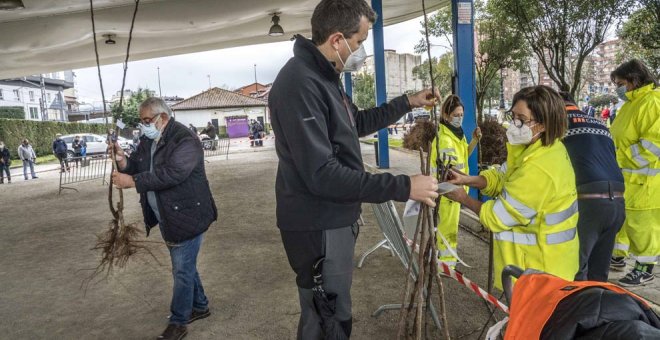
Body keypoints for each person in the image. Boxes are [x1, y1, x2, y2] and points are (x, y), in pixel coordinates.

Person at [268, 1, 440, 338]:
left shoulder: (323, 76)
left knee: (332, 308)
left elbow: (354, 123)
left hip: (334, 217)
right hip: (317, 221)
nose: (359, 50)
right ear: (336, 39)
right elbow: (322, 174)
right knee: (327, 315)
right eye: (359, 42)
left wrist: (408, 102)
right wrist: (404, 186)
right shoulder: (300, 83)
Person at [444, 85, 579, 290]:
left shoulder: (540, 168)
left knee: (535, 322)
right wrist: (468, 180)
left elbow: (497, 217)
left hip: (541, 271)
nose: (513, 124)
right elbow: (502, 176)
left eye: (521, 120)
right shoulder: (533, 150)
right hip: (531, 266)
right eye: (512, 116)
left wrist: (463, 198)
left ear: (543, 125)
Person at [110, 97, 217, 340]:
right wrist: (122, 160)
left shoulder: (185, 140)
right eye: (141, 121)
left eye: (148, 120)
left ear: (164, 118)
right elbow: (137, 164)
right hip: (169, 215)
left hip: (188, 214)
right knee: (185, 265)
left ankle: (178, 322)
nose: (144, 125)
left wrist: (133, 182)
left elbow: (173, 173)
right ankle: (200, 306)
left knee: (181, 269)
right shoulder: (150, 139)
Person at [559, 92, 625, 282]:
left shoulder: (558, 124)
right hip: (616, 200)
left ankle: (575, 310)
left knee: (575, 267)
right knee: (599, 272)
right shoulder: (599, 124)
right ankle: (597, 308)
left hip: (587, 200)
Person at [609, 59, 660, 286]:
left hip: (646, 180)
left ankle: (645, 269)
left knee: (642, 226)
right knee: (626, 222)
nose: (618, 88)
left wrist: (618, 157)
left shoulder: (652, 103)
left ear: (634, 80)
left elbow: (653, 145)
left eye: (620, 83)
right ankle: (619, 257)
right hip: (629, 178)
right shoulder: (631, 104)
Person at [429, 95, 481, 267]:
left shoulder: (456, 134)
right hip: (447, 192)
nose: (460, 118)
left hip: (455, 190)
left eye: (461, 115)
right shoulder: (445, 139)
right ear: (446, 115)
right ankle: (446, 265)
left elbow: (464, 155)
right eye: (456, 115)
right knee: (447, 229)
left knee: (450, 228)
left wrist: (474, 140)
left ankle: (446, 262)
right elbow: (450, 170)